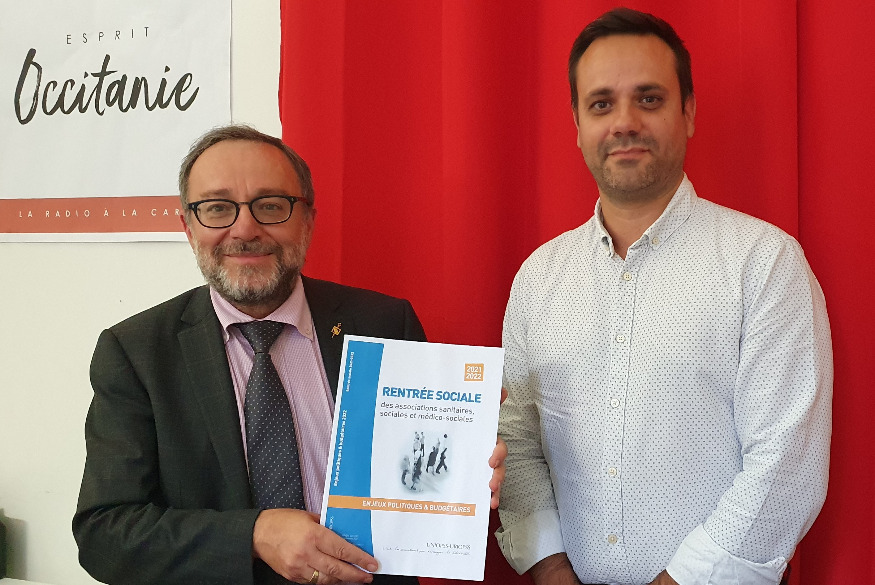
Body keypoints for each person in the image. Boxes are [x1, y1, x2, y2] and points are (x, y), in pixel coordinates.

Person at [73, 125, 506, 585]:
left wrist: (462, 476)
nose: (245, 229)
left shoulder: (384, 323)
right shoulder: (136, 353)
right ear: (188, 226)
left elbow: (419, 481)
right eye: (217, 208)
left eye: (271, 205)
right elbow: (105, 535)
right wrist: (253, 534)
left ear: (307, 221)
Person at [496, 8, 832, 585]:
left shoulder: (764, 263)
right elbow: (518, 444)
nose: (624, 122)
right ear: (577, 124)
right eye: (601, 104)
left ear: (688, 112)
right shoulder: (538, 279)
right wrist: (552, 571)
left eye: (648, 99)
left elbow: (786, 467)